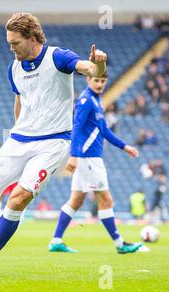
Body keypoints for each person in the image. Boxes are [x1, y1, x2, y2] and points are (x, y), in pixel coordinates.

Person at [0, 12, 110, 275]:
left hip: (53, 143)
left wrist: (97, 64)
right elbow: (20, 98)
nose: (11, 48)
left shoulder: (58, 57)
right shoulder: (14, 68)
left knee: (18, 199)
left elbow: (89, 70)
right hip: (19, 139)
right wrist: (18, 126)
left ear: (32, 38)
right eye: (9, 43)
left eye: (15, 43)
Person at [48, 72, 143, 254]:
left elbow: (104, 130)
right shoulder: (86, 101)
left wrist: (124, 146)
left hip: (89, 158)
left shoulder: (97, 101)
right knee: (106, 199)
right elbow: (76, 126)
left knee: (76, 200)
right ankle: (119, 243)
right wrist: (74, 155)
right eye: (96, 80)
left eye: (102, 81)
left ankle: (56, 240)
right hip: (88, 158)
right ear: (88, 80)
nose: (99, 84)